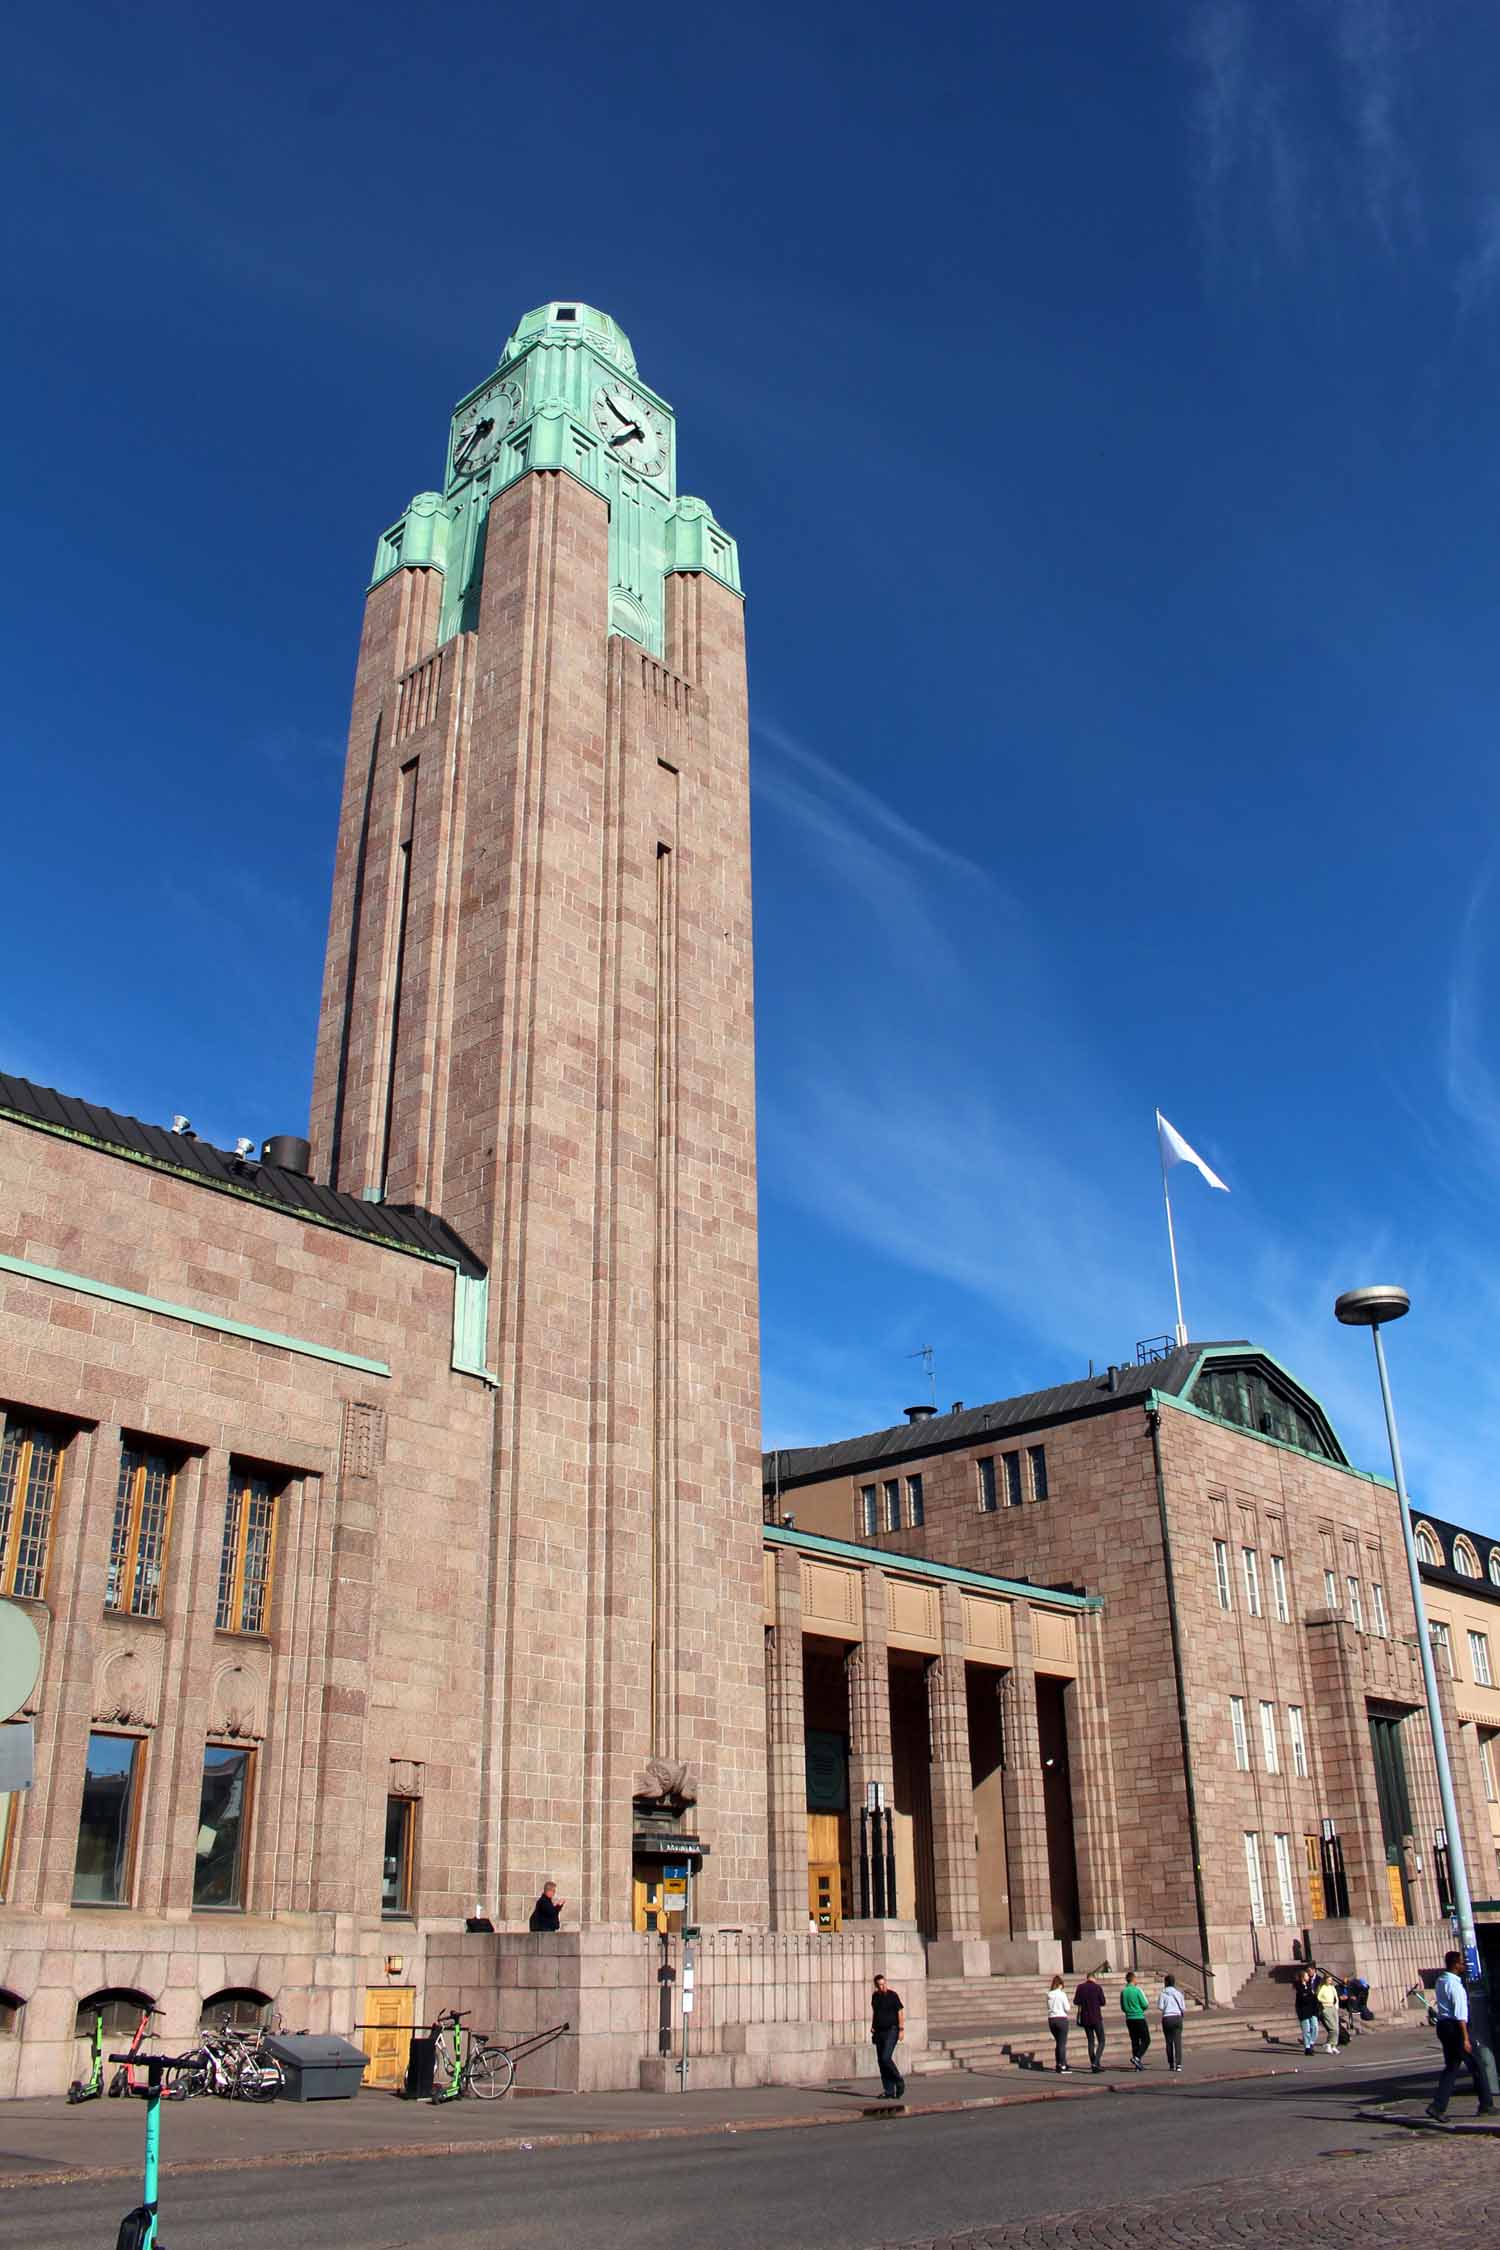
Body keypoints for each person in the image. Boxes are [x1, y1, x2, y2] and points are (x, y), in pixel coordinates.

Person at [1426, 1950, 1496, 2122]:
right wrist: (1465, 2038)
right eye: (1462, 1963)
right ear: (1456, 1965)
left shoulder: (1441, 1980)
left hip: (1443, 2026)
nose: (1464, 1966)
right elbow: (1460, 2015)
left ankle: (1437, 2106)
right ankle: (1486, 2104)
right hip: (1456, 2028)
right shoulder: (1456, 1986)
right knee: (1478, 2065)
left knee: (1451, 2067)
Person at [870, 1975, 906, 2101]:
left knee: (886, 2058)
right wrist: (873, 2026)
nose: (883, 1986)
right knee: (881, 2061)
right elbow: (876, 2012)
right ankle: (889, 2090)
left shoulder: (893, 1995)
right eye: (880, 1984)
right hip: (879, 2031)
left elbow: (900, 2012)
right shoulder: (875, 1997)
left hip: (892, 2030)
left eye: (884, 1983)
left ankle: (899, 2081)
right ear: (876, 1986)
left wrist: (901, 2029)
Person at [1073, 1969, 1107, 2072]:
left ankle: (1094, 2064)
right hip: (1096, 2017)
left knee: (1090, 2041)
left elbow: (1076, 2001)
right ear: (1094, 1978)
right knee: (1102, 2040)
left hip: (1085, 2018)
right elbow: (1103, 2002)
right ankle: (1096, 2062)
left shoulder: (1080, 1987)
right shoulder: (1097, 1987)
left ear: (1087, 1978)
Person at [1120, 1970, 1151, 2069]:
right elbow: (1145, 2004)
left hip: (1129, 2018)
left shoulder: (1124, 1992)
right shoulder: (1137, 1990)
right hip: (1139, 2017)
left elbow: (1123, 2007)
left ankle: (1137, 2065)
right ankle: (1137, 2058)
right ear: (1133, 1979)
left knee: (1134, 2041)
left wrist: (1128, 2011)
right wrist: (1140, 2009)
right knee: (1146, 2040)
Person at [1158, 1974, 1186, 2073]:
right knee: (1177, 2042)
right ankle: (1178, 2064)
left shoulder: (1162, 1993)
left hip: (1167, 2018)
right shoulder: (1179, 1993)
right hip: (1177, 2017)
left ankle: (1171, 2064)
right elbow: (1183, 2008)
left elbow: (1160, 2007)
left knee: (1168, 2042)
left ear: (1165, 1982)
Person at [1046, 1973, 1072, 2073]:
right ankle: (1062, 2065)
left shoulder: (1048, 1994)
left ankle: (1059, 2063)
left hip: (1051, 2019)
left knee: (1058, 2042)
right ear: (1060, 1984)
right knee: (1062, 2043)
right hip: (1061, 2019)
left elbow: (1047, 2007)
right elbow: (1067, 2008)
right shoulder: (1062, 1994)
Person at [1293, 1967, 1320, 2055]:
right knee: (1306, 2029)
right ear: (1302, 1977)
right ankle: (1307, 2047)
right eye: (1306, 1975)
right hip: (1303, 2011)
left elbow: (1313, 1998)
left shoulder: (1309, 1986)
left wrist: (1313, 2000)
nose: (1308, 1976)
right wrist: (1310, 1996)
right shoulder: (1299, 1987)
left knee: (1315, 2026)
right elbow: (1303, 1998)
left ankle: (1311, 2042)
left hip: (1312, 2010)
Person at [1313, 1968, 1341, 2054]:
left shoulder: (1332, 1987)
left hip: (1332, 2007)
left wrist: (1336, 2006)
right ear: (1325, 1980)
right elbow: (1318, 1997)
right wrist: (1325, 2002)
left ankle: (1333, 2045)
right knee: (1332, 2028)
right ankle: (1328, 2044)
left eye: (1331, 1980)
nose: (1330, 1981)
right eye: (1328, 1980)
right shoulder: (1322, 1987)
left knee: (1337, 2028)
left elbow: (1335, 1997)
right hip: (1326, 2008)